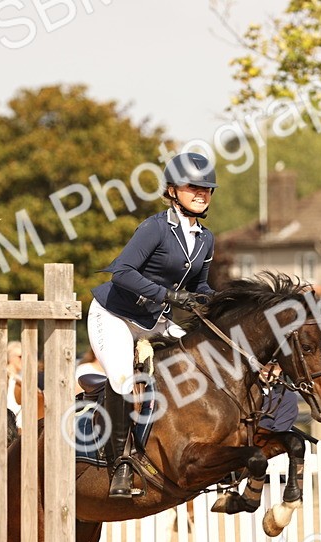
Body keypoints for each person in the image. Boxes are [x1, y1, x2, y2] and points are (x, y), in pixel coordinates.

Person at [89, 152, 217, 497]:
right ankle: (119, 466)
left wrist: (216, 301)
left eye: (207, 189)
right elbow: (122, 272)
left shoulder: (205, 238)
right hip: (114, 315)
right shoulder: (155, 227)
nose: (201, 193)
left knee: (202, 361)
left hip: (153, 321)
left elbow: (199, 286)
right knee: (121, 380)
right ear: (173, 190)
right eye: (194, 187)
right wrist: (171, 296)